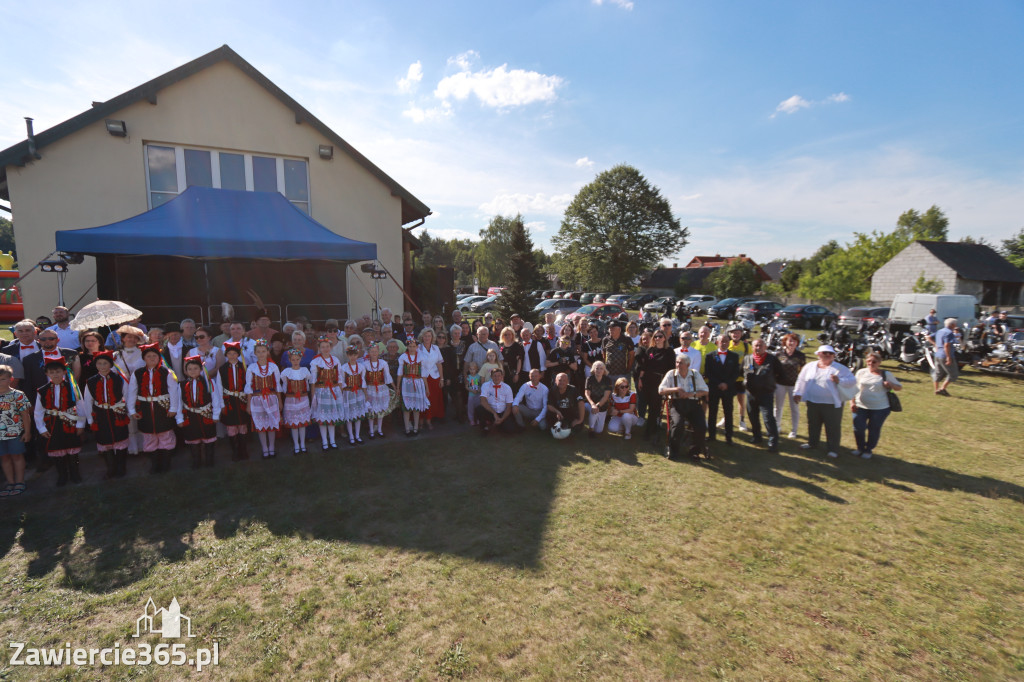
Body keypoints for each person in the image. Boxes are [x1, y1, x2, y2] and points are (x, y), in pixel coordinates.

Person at [793, 344, 856, 459]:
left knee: (832, 427)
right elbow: (801, 380)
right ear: (818, 354)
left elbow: (852, 380)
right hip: (813, 401)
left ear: (834, 356)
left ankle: (833, 449)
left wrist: (839, 380)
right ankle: (812, 443)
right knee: (813, 424)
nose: (827, 355)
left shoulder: (840, 368)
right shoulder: (810, 366)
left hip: (832, 404)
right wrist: (797, 392)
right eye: (824, 353)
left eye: (830, 354)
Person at [127, 342, 181, 474]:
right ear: (144, 358)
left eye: (154, 356)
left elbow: (173, 391)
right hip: (145, 408)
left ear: (159, 358)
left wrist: (173, 408)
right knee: (149, 437)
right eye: (148, 356)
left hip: (163, 408)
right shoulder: (137, 373)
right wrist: (132, 410)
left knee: (165, 435)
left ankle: (166, 464)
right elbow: (132, 392)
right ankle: (155, 464)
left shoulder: (167, 372)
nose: (151, 358)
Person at [34, 357, 87, 486]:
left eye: (58, 371)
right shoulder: (42, 390)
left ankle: (75, 474)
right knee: (57, 451)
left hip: (70, 422)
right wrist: (41, 428)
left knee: (72, 450)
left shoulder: (73, 387)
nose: (55, 375)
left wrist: (80, 424)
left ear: (64, 372)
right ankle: (62, 475)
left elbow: (81, 406)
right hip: (52, 424)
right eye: (52, 372)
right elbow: (38, 411)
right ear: (47, 374)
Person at [80, 351, 130, 478]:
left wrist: (127, 411)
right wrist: (90, 419)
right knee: (105, 440)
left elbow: (127, 395)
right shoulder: (91, 381)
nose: (102, 366)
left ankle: (121, 467)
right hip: (100, 415)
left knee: (120, 438)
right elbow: (87, 401)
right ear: (95, 365)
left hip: (117, 414)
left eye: (105, 363)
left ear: (111, 364)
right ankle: (110, 468)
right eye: (99, 363)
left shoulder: (119, 378)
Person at [852, 352, 902, 459]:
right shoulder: (861, 372)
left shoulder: (886, 374)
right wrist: (852, 402)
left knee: (874, 429)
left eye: (874, 362)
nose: (871, 363)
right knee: (858, 428)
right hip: (860, 406)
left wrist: (891, 385)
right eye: (869, 361)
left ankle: (868, 449)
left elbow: (899, 387)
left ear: (879, 363)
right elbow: (854, 388)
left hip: (880, 408)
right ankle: (860, 448)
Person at [659, 354, 709, 459]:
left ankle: (694, 451)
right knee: (677, 424)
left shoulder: (695, 374)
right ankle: (673, 450)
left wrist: (690, 394)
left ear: (688, 364)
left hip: (693, 403)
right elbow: (660, 390)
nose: (678, 365)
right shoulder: (671, 374)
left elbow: (705, 391)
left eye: (680, 363)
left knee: (701, 425)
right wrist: (676, 389)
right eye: (677, 362)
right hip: (676, 404)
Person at [177, 356, 222, 468]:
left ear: (201, 370)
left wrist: (216, 414)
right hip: (190, 416)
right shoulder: (181, 385)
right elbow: (178, 402)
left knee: (209, 440)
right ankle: (196, 462)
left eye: (196, 368)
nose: (193, 371)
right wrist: (179, 418)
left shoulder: (208, 382)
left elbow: (215, 398)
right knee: (193, 440)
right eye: (190, 369)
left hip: (206, 414)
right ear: (186, 371)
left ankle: (209, 462)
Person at [743, 339, 782, 452]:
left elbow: (780, 373)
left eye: (760, 345)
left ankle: (773, 441)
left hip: (766, 394)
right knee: (752, 416)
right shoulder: (747, 358)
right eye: (755, 346)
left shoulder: (772, 359)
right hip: (751, 394)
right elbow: (741, 372)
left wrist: (770, 384)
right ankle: (757, 436)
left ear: (765, 347)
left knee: (768, 418)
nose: (758, 348)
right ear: (752, 347)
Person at [245, 340, 282, 458]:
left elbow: (277, 385)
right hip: (257, 399)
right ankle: (264, 448)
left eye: (263, 351)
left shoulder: (273, 366)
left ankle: (271, 447)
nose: (261, 354)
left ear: (267, 352)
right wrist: (248, 404)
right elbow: (249, 387)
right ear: (255, 353)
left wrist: (280, 401)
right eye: (258, 352)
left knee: (271, 422)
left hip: (271, 398)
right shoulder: (251, 368)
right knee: (261, 424)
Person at [637, 329, 675, 440]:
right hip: (647, 380)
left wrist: (668, 384)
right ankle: (652, 426)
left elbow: (671, 369)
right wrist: (640, 379)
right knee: (648, 404)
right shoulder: (650, 350)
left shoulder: (669, 351)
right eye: (655, 337)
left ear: (664, 338)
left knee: (655, 407)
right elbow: (644, 366)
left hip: (660, 381)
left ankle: (649, 430)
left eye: (660, 336)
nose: (657, 338)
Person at [0, 365, 32, 497]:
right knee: (4, 457)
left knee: (17, 456)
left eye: (3, 379)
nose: (0, 381)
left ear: (11, 379)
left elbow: (25, 415)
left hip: (15, 432)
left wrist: (27, 432)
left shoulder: (17, 395)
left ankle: (20, 481)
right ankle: (10, 482)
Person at [217, 342, 251, 461]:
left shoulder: (245, 367)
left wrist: (248, 401)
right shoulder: (222, 369)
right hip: (229, 401)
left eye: (234, 353)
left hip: (242, 400)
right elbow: (219, 387)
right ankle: (235, 451)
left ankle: (243, 450)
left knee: (242, 424)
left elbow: (249, 384)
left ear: (238, 354)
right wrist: (221, 404)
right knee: (231, 426)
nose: (232, 356)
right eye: (229, 353)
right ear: (226, 355)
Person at [309, 337, 345, 450]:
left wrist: (340, 391)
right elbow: (313, 381)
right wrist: (313, 395)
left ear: (331, 347)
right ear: (319, 348)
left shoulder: (335, 360)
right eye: (323, 347)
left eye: (327, 346)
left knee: (332, 416)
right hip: (321, 391)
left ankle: (332, 440)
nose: (325, 349)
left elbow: (339, 378)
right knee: (323, 416)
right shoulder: (316, 362)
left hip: (334, 390)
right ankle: (325, 441)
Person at [705, 335, 740, 444]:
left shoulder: (734, 356)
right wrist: (718, 383)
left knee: (728, 412)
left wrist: (727, 383)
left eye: (726, 341)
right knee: (712, 412)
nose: (724, 343)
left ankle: (729, 437)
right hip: (714, 388)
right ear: (717, 342)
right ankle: (712, 435)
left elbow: (736, 373)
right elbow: (708, 372)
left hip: (728, 389)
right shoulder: (710, 356)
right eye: (722, 341)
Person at [280, 347, 313, 453]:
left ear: (301, 359)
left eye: (297, 359)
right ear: (289, 360)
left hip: (303, 399)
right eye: (293, 359)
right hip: (291, 401)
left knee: (302, 423)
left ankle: (303, 444)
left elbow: (308, 383)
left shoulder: (305, 371)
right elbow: (284, 385)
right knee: (294, 424)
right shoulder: (286, 372)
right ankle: (296, 445)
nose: (295, 361)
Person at [773, 333, 805, 439]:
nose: (791, 343)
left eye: (794, 341)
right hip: (780, 384)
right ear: (785, 342)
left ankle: (794, 431)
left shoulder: (800, 356)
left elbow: (803, 371)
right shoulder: (779, 354)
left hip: (794, 386)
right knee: (778, 407)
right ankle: (776, 426)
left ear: (797, 343)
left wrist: (801, 386)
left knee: (794, 408)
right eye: (789, 341)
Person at [397, 337, 430, 436]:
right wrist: (398, 387)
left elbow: (423, 374)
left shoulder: (421, 357)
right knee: (406, 407)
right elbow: (400, 373)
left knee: (416, 407)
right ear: (407, 346)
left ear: (417, 347)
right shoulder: (403, 357)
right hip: (407, 383)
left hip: (418, 382)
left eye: (414, 346)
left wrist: (426, 388)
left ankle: (415, 428)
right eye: (410, 346)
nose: (412, 348)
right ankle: (407, 428)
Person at [362, 342, 393, 439]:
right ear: (369, 352)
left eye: (375, 351)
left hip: (381, 388)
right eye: (372, 351)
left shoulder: (383, 363)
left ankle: (379, 429)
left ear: (378, 352)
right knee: (371, 411)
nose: (374, 353)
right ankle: (371, 430)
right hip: (370, 389)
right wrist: (365, 391)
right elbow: (363, 379)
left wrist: (394, 387)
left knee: (380, 410)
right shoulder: (365, 364)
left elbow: (387, 376)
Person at [726, 325, 752, 432]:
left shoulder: (746, 346)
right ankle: (726, 419)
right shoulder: (727, 345)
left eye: (738, 332)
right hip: (729, 378)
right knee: (727, 401)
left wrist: (748, 376)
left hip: (741, 378)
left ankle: (742, 421)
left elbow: (750, 362)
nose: (735, 334)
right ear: (730, 334)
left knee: (741, 400)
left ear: (741, 334)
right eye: (733, 332)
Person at [340, 345, 368, 444]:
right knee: (349, 415)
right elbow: (342, 382)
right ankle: (351, 436)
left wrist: (366, 395)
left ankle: (357, 435)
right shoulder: (343, 368)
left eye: (355, 355)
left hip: (359, 393)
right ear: (347, 355)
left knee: (358, 414)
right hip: (348, 393)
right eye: (351, 355)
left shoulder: (361, 367)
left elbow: (363, 381)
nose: (353, 357)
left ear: (357, 355)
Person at [476, 367, 516, 435]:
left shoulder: (507, 387)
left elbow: (509, 406)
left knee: (510, 431)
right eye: (494, 376)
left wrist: (502, 419)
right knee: (479, 409)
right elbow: (483, 401)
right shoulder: (485, 385)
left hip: (502, 413)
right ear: (491, 376)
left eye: (499, 376)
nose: (497, 378)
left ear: (502, 377)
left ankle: (499, 424)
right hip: (490, 412)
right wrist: (494, 413)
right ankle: (485, 427)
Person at [418, 329, 445, 429]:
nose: (427, 338)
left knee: (432, 400)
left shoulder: (436, 348)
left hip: (434, 377)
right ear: (422, 337)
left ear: (432, 337)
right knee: (422, 399)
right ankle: (420, 421)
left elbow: (439, 364)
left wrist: (442, 379)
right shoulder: (418, 348)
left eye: (429, 336)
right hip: (422, 378)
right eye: (425, 336)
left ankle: (429, 421)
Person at [584, 360, 613, 436]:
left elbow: (606, 396)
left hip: (602, 405)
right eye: (597, 368)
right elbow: (587, 394)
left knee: (599, 431)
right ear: (593, 369)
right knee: (593, 410)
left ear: (604, 370)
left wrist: (598, 405)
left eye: (601, 368)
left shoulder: (608, 380)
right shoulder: (589, 379)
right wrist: (593, 404)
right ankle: (591, 429)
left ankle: (594, 425)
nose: (599, 370)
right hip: (591, 404)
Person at [602, 321, 635, 387]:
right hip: (609, 373)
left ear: (619, 329)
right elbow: (604, 355)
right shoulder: (605, 340)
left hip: (622, 373)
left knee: (623, 393)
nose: (611, 330)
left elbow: (631, 355)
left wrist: (628, 368)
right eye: (610, 328)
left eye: (613, 328)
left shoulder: (626, 339)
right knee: (609, 393)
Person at [932, 318, 958, 396]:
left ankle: (936, 389)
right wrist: (948, 357)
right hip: (945, 355)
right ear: (952, 325)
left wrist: (935, 344)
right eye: (955, 324)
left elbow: (928, 337)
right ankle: (942, 389)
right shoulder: (949, 333)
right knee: (953, 374)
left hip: (937, 354)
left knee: (938, 373)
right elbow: (946, 345)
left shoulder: (939, 331)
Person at [498, 327, 525, 392]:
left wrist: (517, 373)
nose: (507, 336)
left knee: (514, 390)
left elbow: (519, 360)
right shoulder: (500, 345)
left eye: (509, 334)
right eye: (505, 334)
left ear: (512, 335)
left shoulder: (517, 345)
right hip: (503, 372)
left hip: (513, 371)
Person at [465, 361, 483, 426]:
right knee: (470, 408)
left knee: (479, 407)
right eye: (471, 369)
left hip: (478, 395)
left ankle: (479, 419)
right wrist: (471, 390)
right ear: (469, 369)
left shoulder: (479, 376)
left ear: (477, 369)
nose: (472, 371)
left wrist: (479, 390)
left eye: (473, 369)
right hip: (471, 395)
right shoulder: (468, 377)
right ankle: (471, 420)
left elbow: (481, 385)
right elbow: (466, 386)